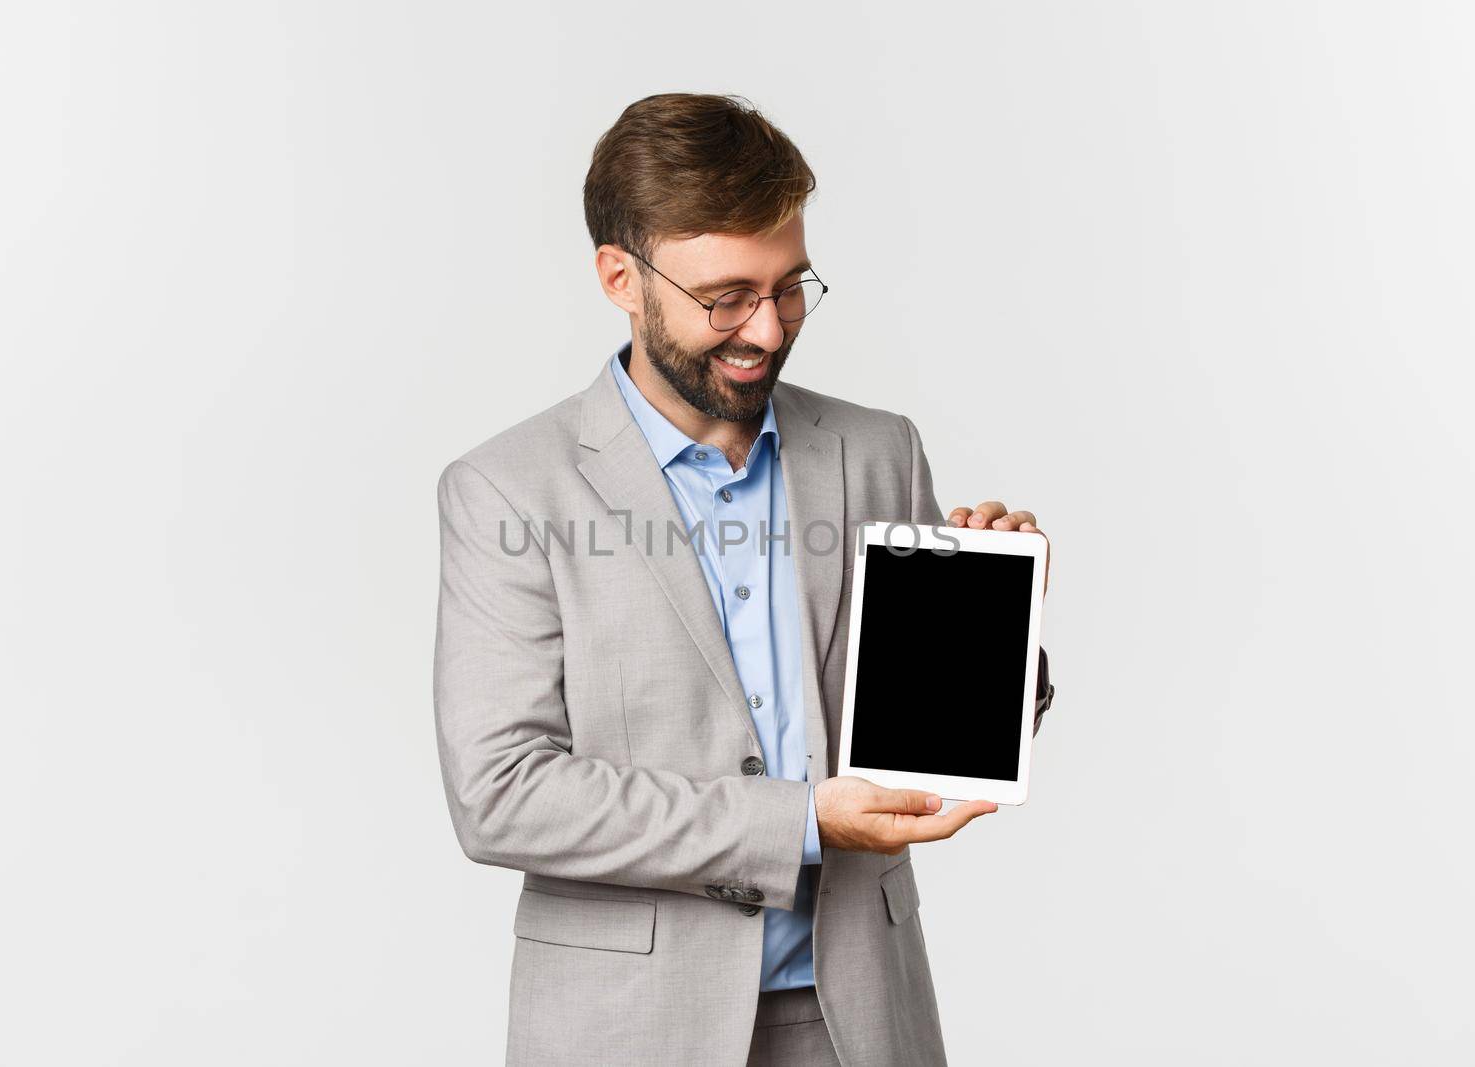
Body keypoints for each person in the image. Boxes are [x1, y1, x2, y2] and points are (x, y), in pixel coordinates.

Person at [433, 92, 1054, 1066]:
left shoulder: (875, 449)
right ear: (619, 278)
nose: (767, 328)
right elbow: (503, 792)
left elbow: (920, 737)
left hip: (857, 1016)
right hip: (627, 1025)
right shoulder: (507, 491)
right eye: (725, 297)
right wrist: (799, 821)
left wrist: (995, 624)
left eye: (789, 285)